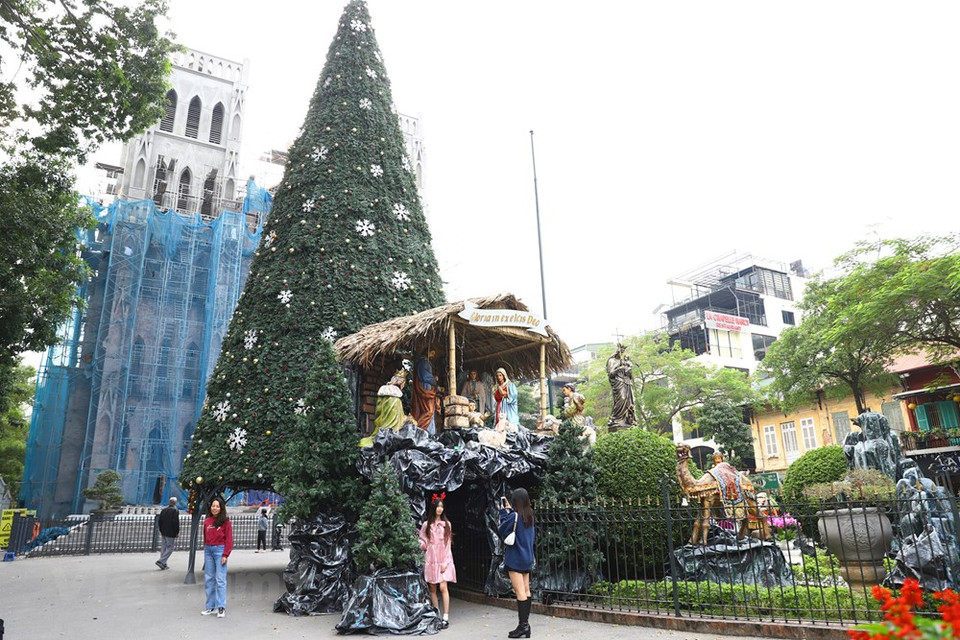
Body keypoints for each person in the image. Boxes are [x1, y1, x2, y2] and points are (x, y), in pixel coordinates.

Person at [499, 488, 535, 639]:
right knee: (526, 591)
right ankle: (525, 626)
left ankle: (523, 626)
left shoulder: (513, 516)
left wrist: (503, 512)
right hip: (527, 557)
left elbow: (502, 531)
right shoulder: (529, 517)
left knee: (519, 591)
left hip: (515, 558)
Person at [419, 493, 456, 629]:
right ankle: (436, 614)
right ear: (433, 507)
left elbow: (448, 545)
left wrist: (445, 562)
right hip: (430, 558)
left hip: (443, 558)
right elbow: (423, 540)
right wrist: (420, 544)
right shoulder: (426, 525)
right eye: (437, 506)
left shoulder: (447, 525)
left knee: (443, 586)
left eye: (442, 506)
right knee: (433, 587)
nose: (440, 509)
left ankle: (445, 617)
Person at [201, 497, 233, 618]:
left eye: (217, 506)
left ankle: (221, 607)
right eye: (213, 506)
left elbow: (229, 539)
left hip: (220, 550)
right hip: (208, 549)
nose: (214, 508)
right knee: (209, 579)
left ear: (221, 508)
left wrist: (225, 554)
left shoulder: (225, 521)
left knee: (220, 579)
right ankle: (210, 606)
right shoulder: (207, 520)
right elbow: (205, 535)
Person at [360, 370, 407, 446]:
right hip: (391, 429)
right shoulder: (396, 399)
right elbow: (397, 418)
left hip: (382, 426)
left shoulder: (384, 394)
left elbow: (378, 412)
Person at [606, 344, 637, 428]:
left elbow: (628, 375)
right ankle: (615, 419)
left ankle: (626, 420)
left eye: (623, 351)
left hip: (626, 383)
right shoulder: (612, 361)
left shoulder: (623, 361)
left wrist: (628, 369)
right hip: (618, 383)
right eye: (621, 351)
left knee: (629, 402)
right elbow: (611, 374)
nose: (621, 353)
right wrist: (619, 368)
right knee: (621, 399)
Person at [413, 349, 440, 435]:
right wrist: (434, 379)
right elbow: (424, 376)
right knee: (429, 411)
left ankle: (429, 432)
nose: (433, 356)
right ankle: (422, 430)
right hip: (425, 388)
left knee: (430, 411)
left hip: (428, 387)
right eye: (432, 353)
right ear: (427, 352)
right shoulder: (423, 362)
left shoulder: (426, 362)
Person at [154, 496, 179, 570]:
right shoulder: (175, 511)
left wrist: (161, 529)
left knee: (164, 547)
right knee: (170, 548)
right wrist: (176, 532)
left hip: (164, 531)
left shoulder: (164, 510)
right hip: (170, 532)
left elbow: (160, 521)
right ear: (175, 503)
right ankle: (161, 561)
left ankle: (163, 563)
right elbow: (175, 522)